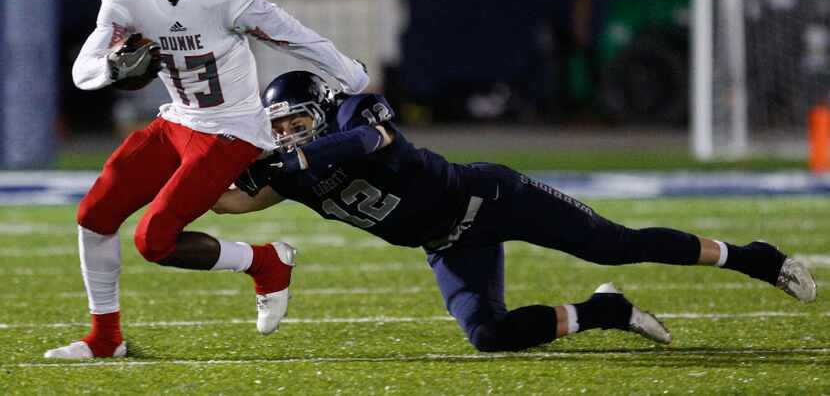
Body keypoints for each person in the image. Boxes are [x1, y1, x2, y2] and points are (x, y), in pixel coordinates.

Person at [214, 70, 817, 352]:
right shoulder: (290, 173)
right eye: (282, 131)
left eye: (298, 124)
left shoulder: (352, 115)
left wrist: (297, 162)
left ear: (320, 112)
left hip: (491, 198)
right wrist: (179, 176)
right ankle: (603, 312)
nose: (290, 137)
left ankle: (755, 259)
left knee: (616, 243)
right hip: (449, 243)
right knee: (488, 336)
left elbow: (377, 141)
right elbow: (232, 200)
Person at [44, 0, 369, 360]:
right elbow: (84, 70)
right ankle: (105, 339)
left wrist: (349, 73)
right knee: (93, 216)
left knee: (153, 241)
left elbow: (290, 32)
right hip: (178, 119)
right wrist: (115, 67)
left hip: (232, 129)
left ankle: (265, 261)